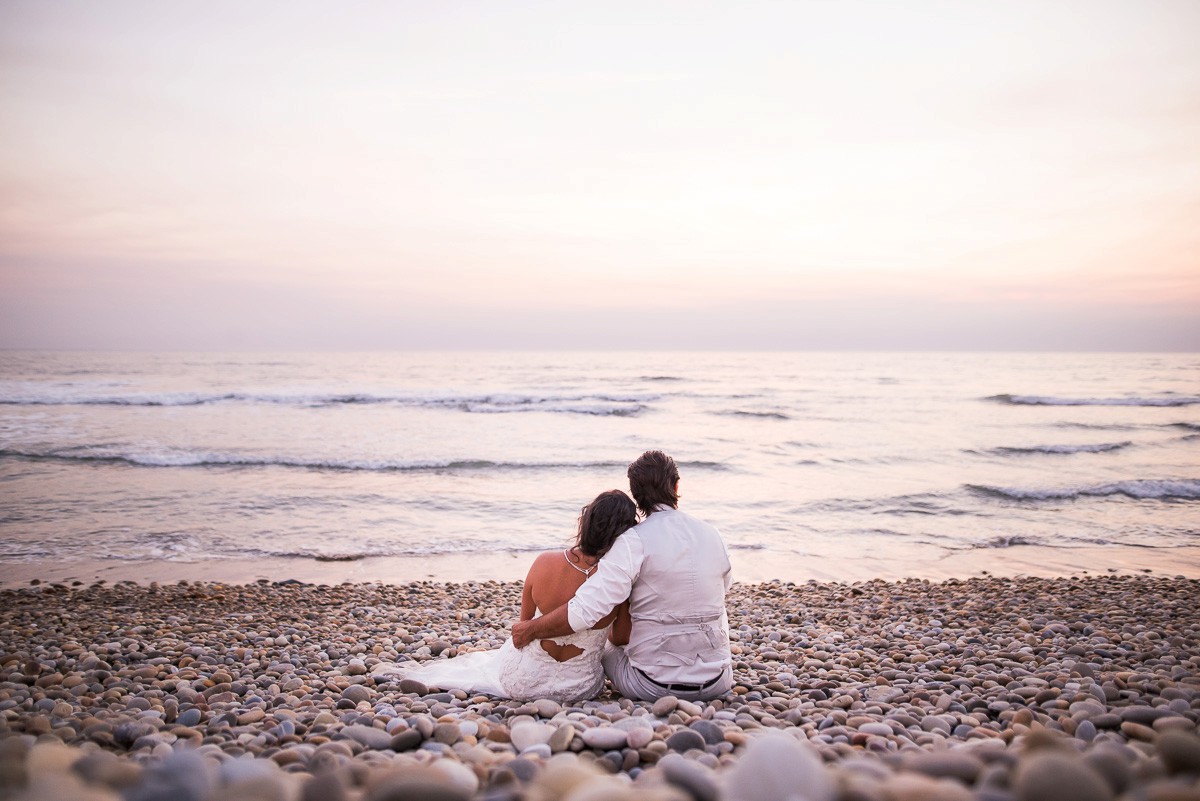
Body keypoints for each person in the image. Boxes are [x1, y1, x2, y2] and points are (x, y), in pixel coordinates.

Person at [373, 490, 636, 702]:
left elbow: (522, 626)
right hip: (580, 688)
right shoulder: (617, 582)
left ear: (586, 522)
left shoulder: (545, 562)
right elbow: (620, 637)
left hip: (523, 682)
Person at [512, 450, 733, 701]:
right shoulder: (713, 534)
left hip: (653, 686)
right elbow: (721, 590)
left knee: (603, 644)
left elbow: (585, 609)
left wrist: (530, 629)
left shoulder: (633, 541)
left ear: (636, 496)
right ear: (676, 485)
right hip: (718, 681)